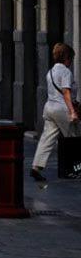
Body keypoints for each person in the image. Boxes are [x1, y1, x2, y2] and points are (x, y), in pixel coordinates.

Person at [30, 43, 81, 182]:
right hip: (62, 109)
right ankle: (73, 169)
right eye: (71, 58)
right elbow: (66, 92)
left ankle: (36, 167)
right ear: (66, 57)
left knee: (47, 138)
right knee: (74, 137)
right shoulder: (65, 71)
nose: (71, 61)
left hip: (49, 108)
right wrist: (72, 112)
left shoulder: (51, 71)